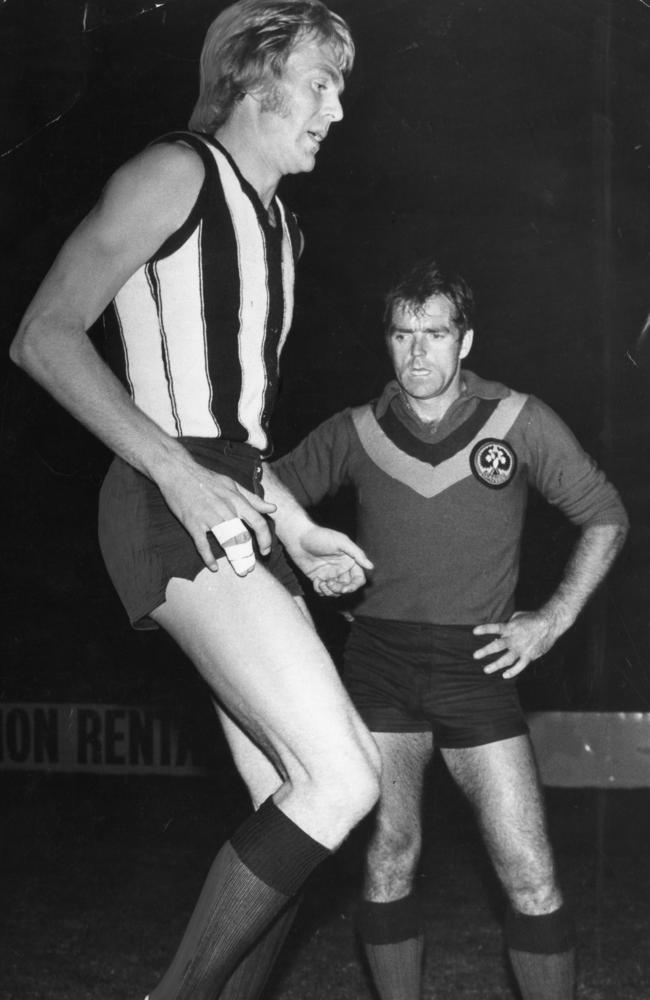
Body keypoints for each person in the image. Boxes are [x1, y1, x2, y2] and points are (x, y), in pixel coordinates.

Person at [9, 4, 383, 999]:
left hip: (232, 502)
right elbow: (44, 335)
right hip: (158, 495)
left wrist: (296, 526)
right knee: (342, 779)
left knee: (291, 809)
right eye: (320, 83)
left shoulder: (279, 230)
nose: (336, 110)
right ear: (255, 78)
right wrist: (175, 471)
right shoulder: (172, 174)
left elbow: (238, 428)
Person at [271, 257, 629, 1000]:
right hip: (379, 667)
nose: (418, 353)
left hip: (478, 669)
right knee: (388, 859)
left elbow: (606, 516)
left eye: (435, 334)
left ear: (466, 341)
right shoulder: (355, 430)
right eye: (403, 336)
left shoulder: (518, 420)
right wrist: (310, 567)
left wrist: (552, 620)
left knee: (530, 874)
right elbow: (264, 501)